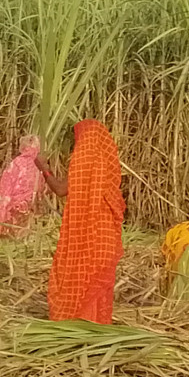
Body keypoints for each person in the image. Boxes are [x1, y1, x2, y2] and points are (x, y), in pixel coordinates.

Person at [47, 119, 125, 324]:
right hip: (106, 240)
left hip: (87, 239)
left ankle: (77, 330)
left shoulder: (83, 160)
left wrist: (43, 168)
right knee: (96, 291)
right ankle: (95, 332)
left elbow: (61, 190)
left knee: (77, 282)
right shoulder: (107, 167)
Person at [0, 135, 45, 236]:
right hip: (30, 209)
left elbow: (4, 184)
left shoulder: (16, 163)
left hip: (14, 210)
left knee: (10, 241)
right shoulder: (40, 165)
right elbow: (41, 188)